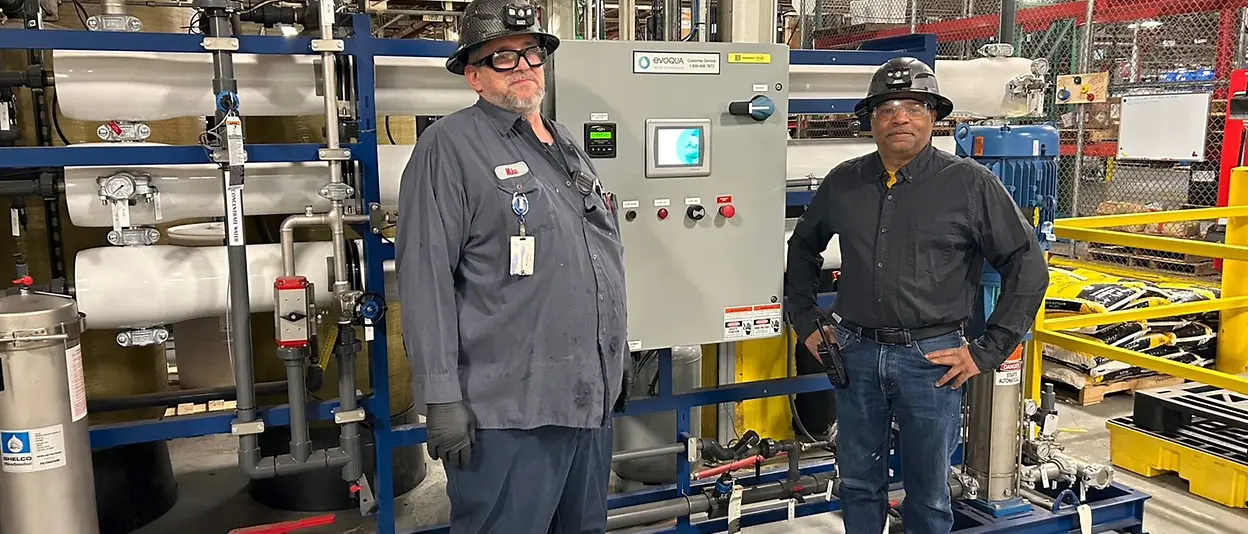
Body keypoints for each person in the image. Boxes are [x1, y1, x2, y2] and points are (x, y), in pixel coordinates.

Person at [394, 0, 631, 532]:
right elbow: (424, 277)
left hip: (586, 400)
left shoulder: (566, 143)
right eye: (502, 57)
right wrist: (439, 395)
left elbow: (597, 254)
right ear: (474, 77)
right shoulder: (448, 148)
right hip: (507, 412)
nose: (523, 65)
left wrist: (616, 357)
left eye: (531, 52)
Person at [784, 57, 1049, 533]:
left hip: (932, 361)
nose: (900, 117)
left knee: (927, 495)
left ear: (933, 117)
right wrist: (805, 320)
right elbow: (803, 247)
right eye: (887, 108)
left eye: (914, 106)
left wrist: (988, 350)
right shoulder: (846, 181)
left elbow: (1028, 265)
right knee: (859, 484)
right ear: (872, 120)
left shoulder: (970, 184)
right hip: (855, 354)